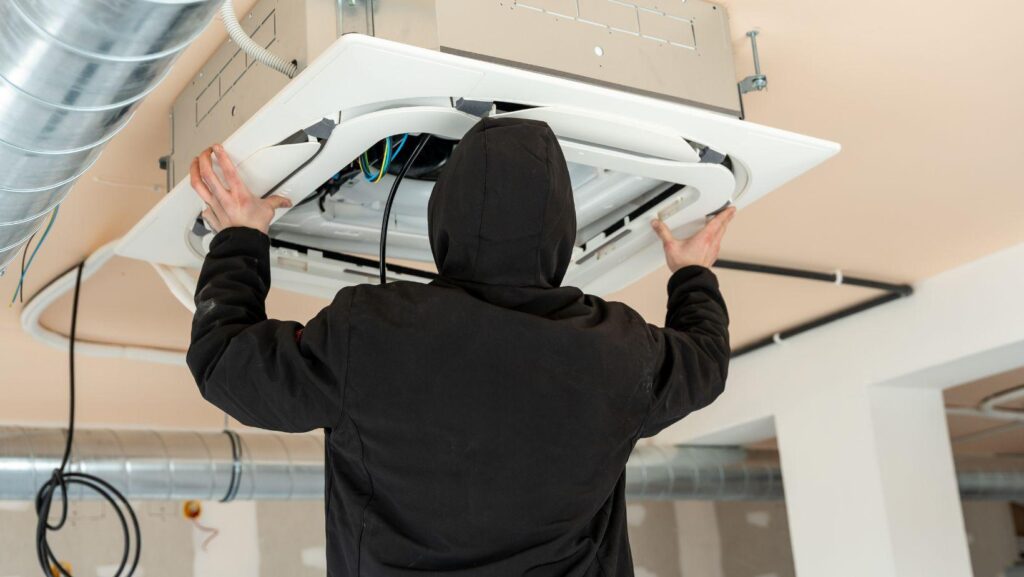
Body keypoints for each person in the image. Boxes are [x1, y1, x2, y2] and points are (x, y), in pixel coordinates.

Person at [187, 117, 734, 577]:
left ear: (443, 216)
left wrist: (241, 238)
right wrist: (692, 279)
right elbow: (704, 364)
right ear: (563, 231)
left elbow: (225, 361)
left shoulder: (369, 334)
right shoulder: (619, 355)